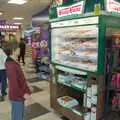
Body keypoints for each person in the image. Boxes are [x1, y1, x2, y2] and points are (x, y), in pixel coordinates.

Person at [4, 44, 31, 120]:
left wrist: (26, 87)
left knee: (19, 115)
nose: (19, 48)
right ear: (13, 50)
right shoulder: (11, 65)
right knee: (18, 116)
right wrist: (23, 94)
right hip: (17, 96)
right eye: (17, 47)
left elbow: (19, 78)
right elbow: (14, 84)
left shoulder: (13, 61)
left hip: (18, 94)